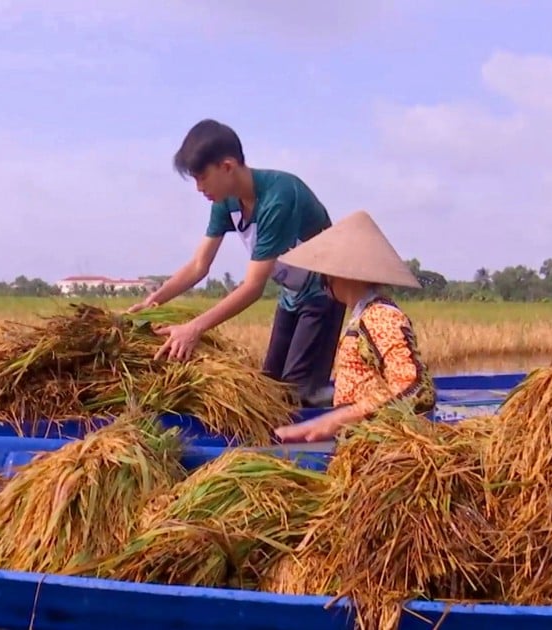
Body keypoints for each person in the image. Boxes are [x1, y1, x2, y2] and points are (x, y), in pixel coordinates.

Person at [130, 119, 346, 408]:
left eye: (202, 177)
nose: (198, 188)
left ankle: (357, 400)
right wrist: (153, 302)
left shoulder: (278, 199)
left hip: (325, 293)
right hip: (292, 295)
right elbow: (198, 265)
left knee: (298, 395)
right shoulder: (226, 202)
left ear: (227, 167)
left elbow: (254, 286)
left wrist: (194, 328)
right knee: (268, 386)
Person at [272, 210, 436, 443]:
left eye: (324, 272)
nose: (321, 279)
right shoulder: (362, 316)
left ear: (344, 274)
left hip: (384, 450)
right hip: (362, 443)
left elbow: (415, 389)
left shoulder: (380, 317)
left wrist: (333, 421)